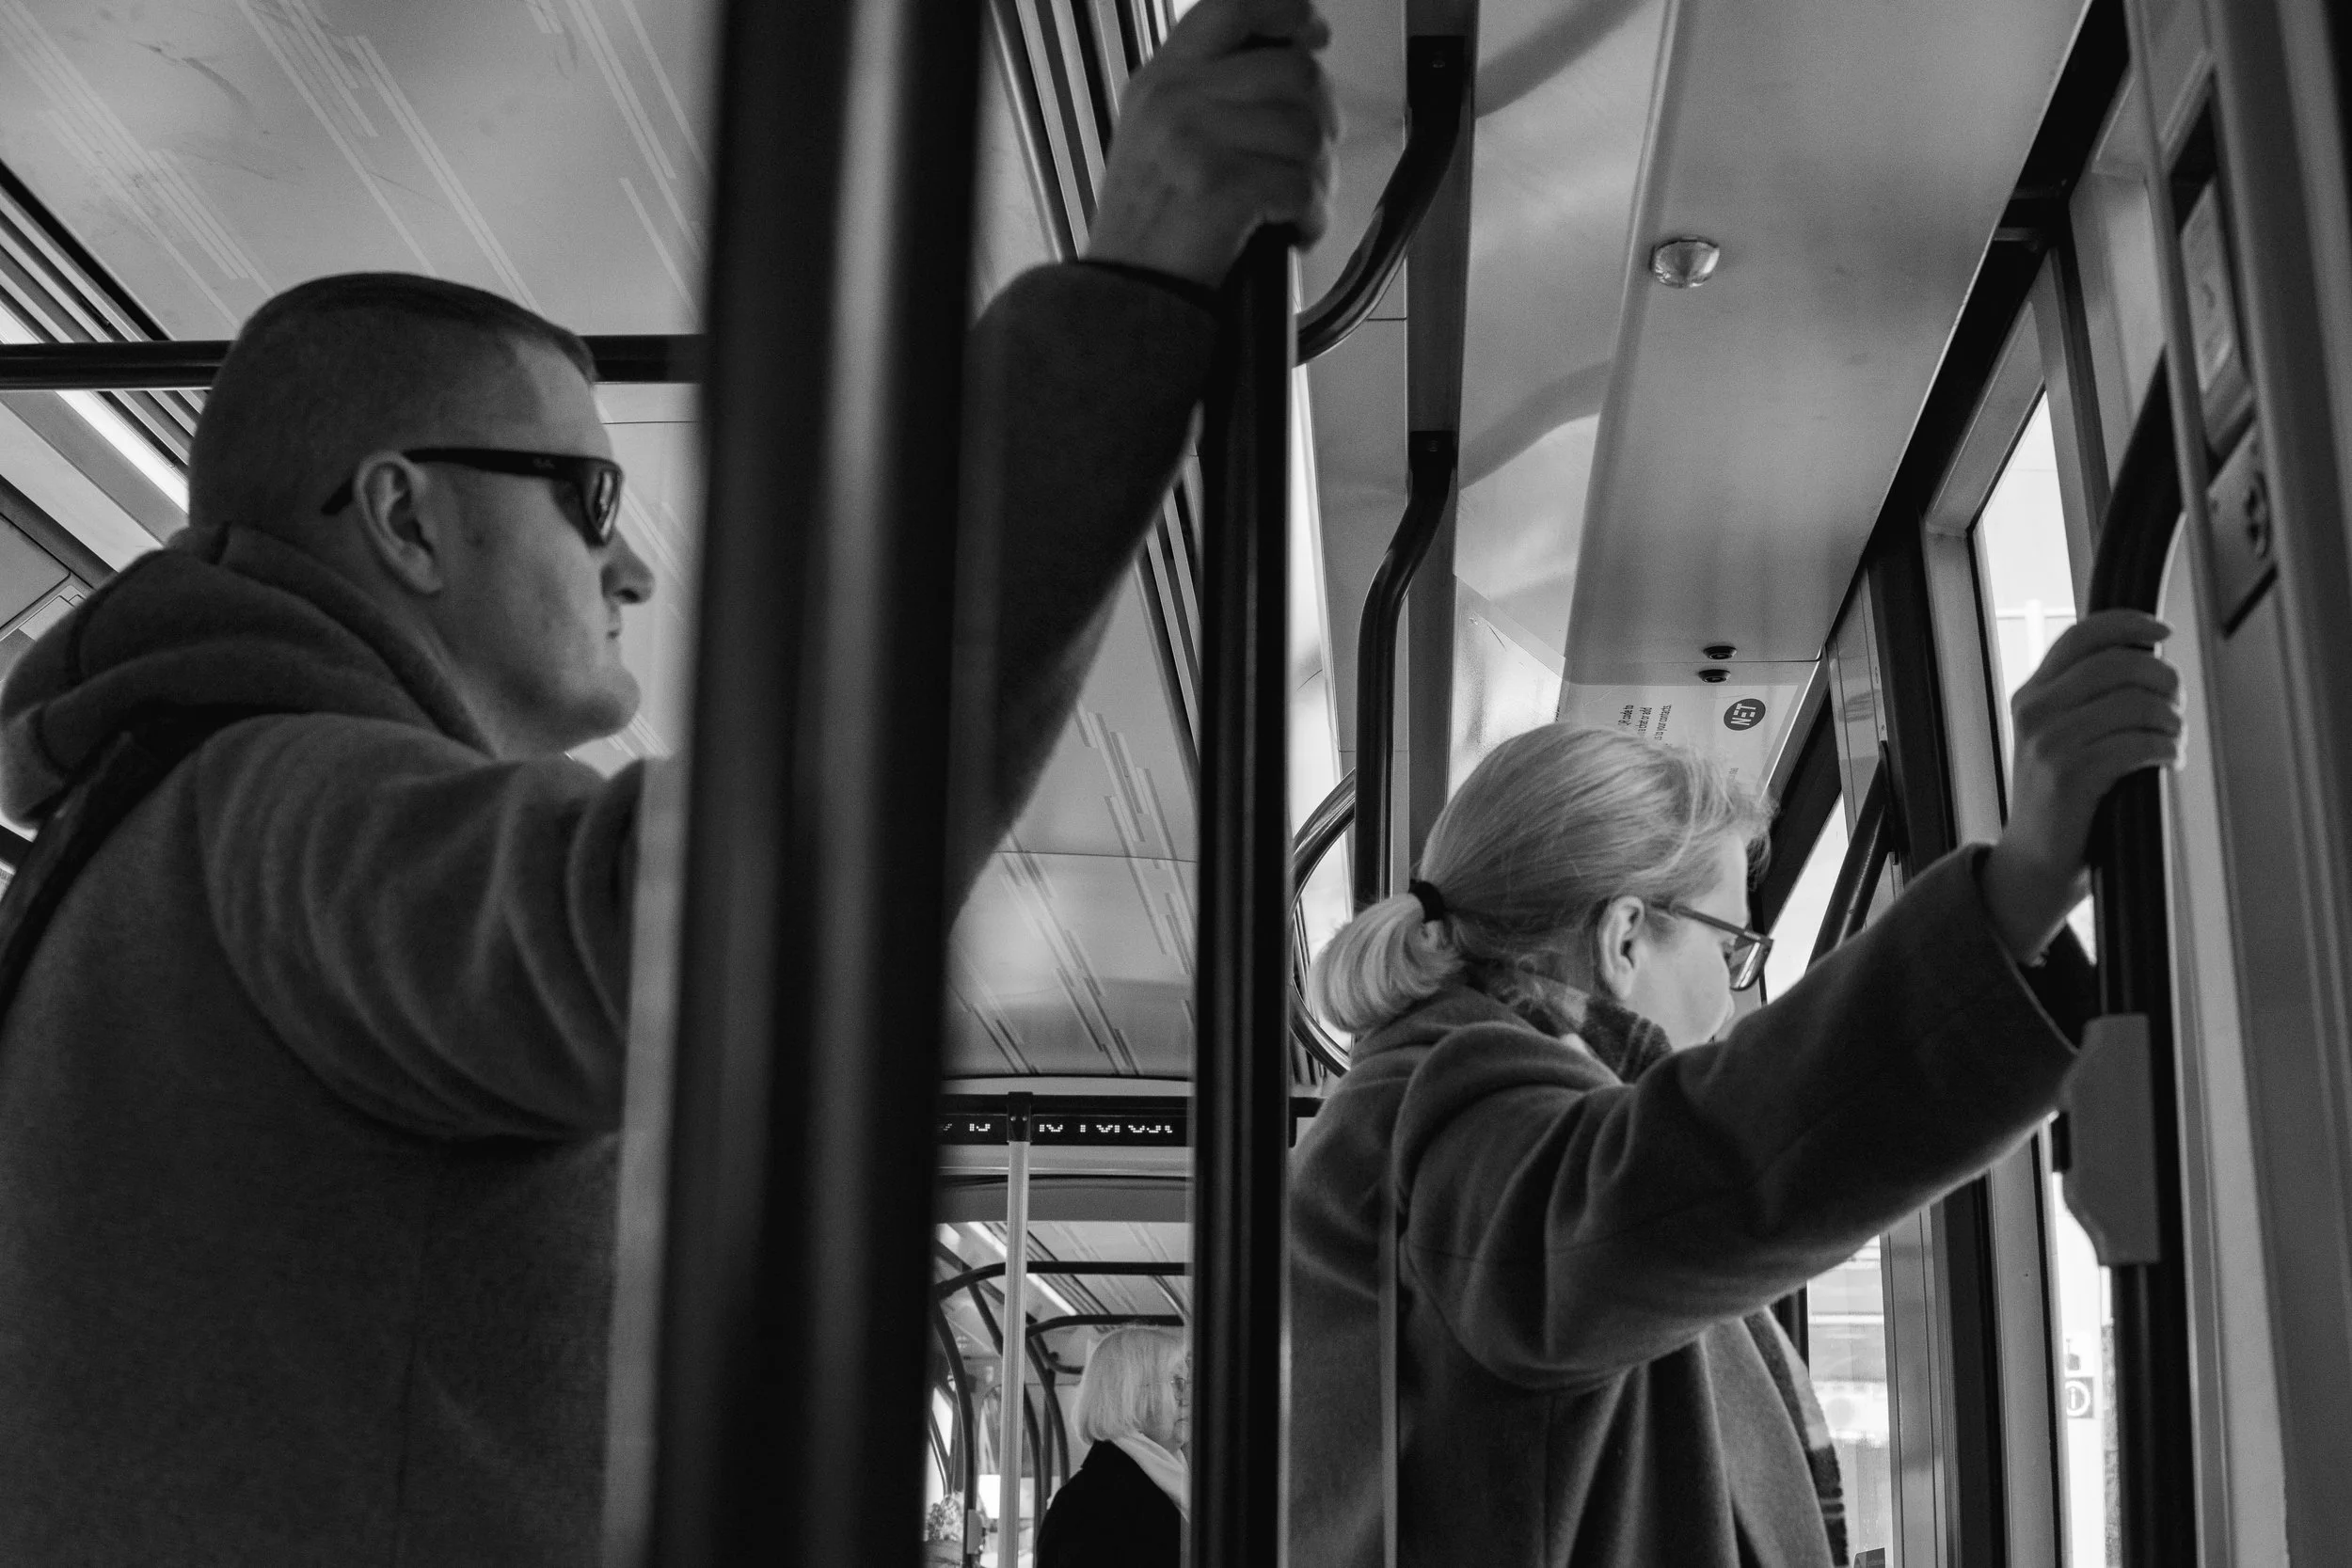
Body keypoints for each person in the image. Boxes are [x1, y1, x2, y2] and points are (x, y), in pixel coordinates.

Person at [0, 0, 1335, 1561]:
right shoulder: (279, 804)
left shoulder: (127, 858)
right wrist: (1127, 296)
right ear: (404, 517)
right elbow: (716, 920)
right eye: (589, 496)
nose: (632, 564)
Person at [1287, 610, 2183, 1568]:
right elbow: (1682, 1179)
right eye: (1735, 945)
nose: (1740, 990)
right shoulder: (1455, 1104)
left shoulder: (1424, 1108)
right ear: (1625, 937)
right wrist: (2018, 888)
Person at [1034, 1327, 1190, 1568]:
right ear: (1130, 1394)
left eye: (1187, 1383)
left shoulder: (1168, 1482)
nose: (1187, 1396)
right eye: (1177, 1383)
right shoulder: (1091, 1505)